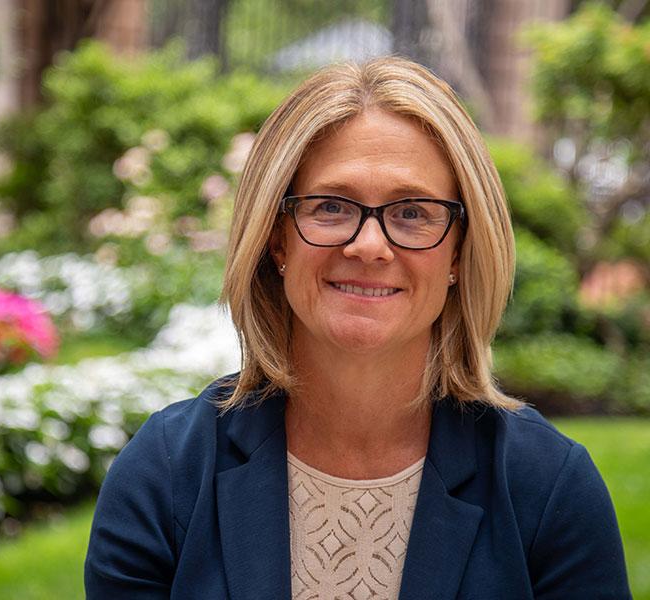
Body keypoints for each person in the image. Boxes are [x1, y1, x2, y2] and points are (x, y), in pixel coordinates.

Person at [84, 57, 630, 599]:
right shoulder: (166, 473)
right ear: (277, 238)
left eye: (413, 212)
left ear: (459, 252)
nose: (369, 246)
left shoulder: (550, 487)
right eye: (330, 206)